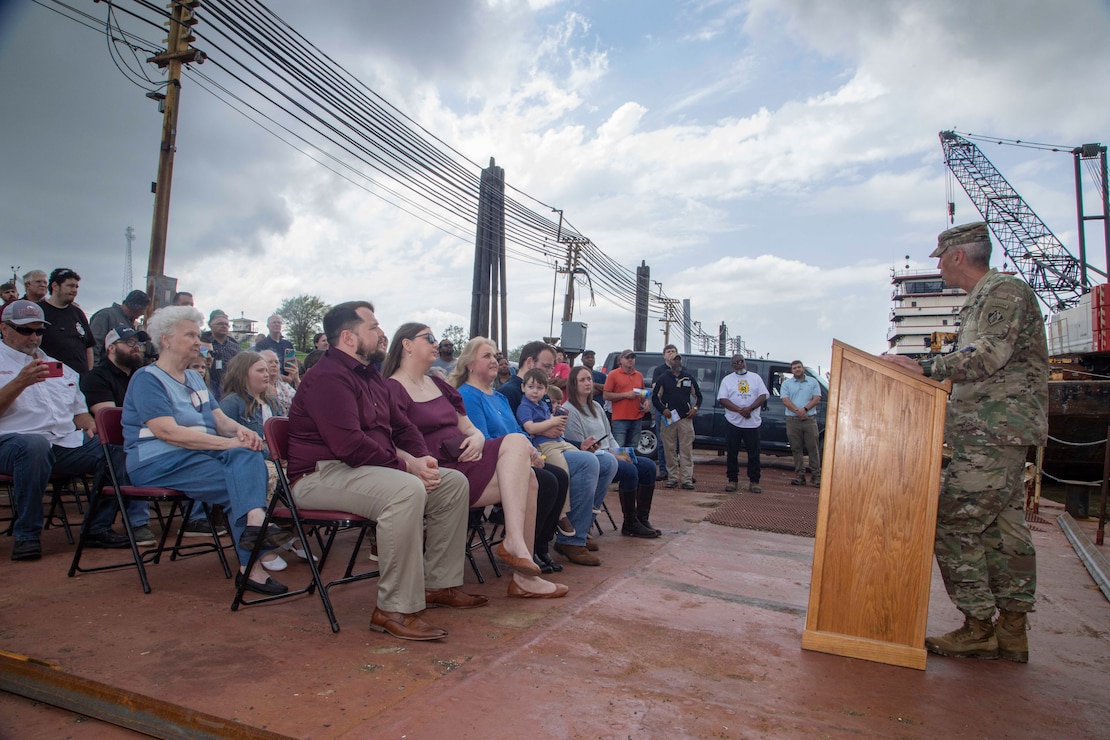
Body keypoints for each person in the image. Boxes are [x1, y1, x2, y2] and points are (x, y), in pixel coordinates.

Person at [882, 221, 1047, 663]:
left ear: (958, 256)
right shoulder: (983, 299)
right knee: (1003, 533)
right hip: (996, 433)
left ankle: (979, 626)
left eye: (940, 257)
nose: (937, 265)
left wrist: (926, 368)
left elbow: (989, 354)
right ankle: (1012, 632)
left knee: (952, 523)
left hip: (993, 433)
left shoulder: (1002, 293)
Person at [288, 301, 484, 642]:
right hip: (319, 476)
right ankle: (394, 609)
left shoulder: (370, 377)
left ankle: (438, 586)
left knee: (452, 483)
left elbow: (402, 425)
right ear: (349, 337)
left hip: (359, 469)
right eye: (374, 328)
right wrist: (407, 468)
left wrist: (422, 460)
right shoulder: (328, 378)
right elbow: (349, 445)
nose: (382, 334)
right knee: (406, 490)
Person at [384, 323, 567, 597]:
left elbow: (469, 427)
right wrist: (412, 462)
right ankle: (516, 546)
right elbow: (385, 440)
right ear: (407, 345)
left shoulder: (438, 385)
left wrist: (478, 438)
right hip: (435, 469)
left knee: (530, 479)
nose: (437, 344)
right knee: (520, 450)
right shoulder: (390, 388)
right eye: (429, 338)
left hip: (465, 457)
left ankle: (523, 577)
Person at [122, 306, 288, 595]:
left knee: (246, 458)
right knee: (241, 480)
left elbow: (220, 421)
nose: (198, 341)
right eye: (190, 335)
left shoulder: (196, 378)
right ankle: (253, 557)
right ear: (166, 340)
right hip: (157, 460)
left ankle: (254, 532)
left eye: (198, 334)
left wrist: (241, 432)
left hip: (197, 457)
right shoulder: (147, 378)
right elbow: (167, 432)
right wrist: (230, 443)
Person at [457, 339, 615, 567]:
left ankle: (541, 545)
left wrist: (529, 450)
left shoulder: (498, 397)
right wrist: (523, 450)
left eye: (495, 355)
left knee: (558, 477)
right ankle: (529, 551)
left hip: (519, 457)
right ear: (470, 364)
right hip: (493, 464)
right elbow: (483, 439)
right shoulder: (468, 396)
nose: (495, 360)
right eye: (487, 356)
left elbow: (520, 431)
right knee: (549, 480)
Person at [0, 301, 129, 561]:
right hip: (10, 442)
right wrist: (19, 383)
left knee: (116, 448)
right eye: (25, 330)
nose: (34, 337)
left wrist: (91, 426)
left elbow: (78, 411)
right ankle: (27, 534)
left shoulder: (59, 367)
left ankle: (97, 527)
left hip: (61, 441)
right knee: (34, 446)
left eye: (39, 331)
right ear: (3, 328)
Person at [219, 351, 305, 573]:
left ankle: (287, 533)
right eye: (260, 370)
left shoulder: (273, 402)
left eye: (267, 370)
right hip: (251, 461)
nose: (267, 374)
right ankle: (265, 542)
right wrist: (276, 456)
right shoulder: (232, 403)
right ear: (242, 373)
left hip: (276, 460)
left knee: (304, 476)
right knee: (270, 475)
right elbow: (230, 442)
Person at [81, 324, 157, 546]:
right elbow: (112, 420)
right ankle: (135, 523)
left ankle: (196, 518)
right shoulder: (96, 377)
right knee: (125, 452)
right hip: (119, 441)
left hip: (148, 435)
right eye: (130, 343)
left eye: (139, 343)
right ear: (111, 348)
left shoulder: (144, 376)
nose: (137, 348)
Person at [564, 366, 660, 538]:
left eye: (589, 379)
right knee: (630, 471)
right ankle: (629, 523)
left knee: (649, 466)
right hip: (594, 461)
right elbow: (580, 449)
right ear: (573, 384)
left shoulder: (596, 406)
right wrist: (614, 457)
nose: (587, 383)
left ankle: (641, 518)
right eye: (582, 380)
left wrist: (622, 454)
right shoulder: (570, 410)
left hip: (610, 454)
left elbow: (609, 437)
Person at [717, 355, 768, 493]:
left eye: (741, 362)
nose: (739, 364)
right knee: (732, 452)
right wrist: (740, 410)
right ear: (732, 365)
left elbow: (763, 396)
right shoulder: (727, 380)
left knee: (754, 453)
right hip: (733, 422)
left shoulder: (755, 378)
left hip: (752, 423)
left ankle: (754, 481)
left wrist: (749, 409)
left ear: (745, 363)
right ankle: (732, 480)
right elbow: (722, 399)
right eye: (736, 363)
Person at [652, 353, 703, 491]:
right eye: (675, 359)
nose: (677, 362)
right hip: (669, 418)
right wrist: (663, 410)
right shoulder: (663, 378)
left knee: (686, 450)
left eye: (679, 359)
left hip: (685, 419)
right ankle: (672, 478)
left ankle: (687, 479)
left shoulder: (688, 377)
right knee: (669, 449)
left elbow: (698, 396)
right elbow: (655, 398)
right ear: (669, 362)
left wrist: (695, 409)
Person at [516, 369, 578, 475]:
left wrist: (558, 425)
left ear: (545, 390)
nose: (535, 391)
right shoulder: (524, 407)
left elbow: (549, 419)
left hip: (559, 441)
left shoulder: (543, 404)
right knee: (563, 472)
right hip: (543, 444)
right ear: (523, 387)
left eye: (539, 388)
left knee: (585, 459)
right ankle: (565, 492)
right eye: (531, 387)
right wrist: (553, 422)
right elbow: (530, 428)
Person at [37, 268, 95, 376]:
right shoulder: (39, 312)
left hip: (80, 380)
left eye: (76, 287)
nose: (74, 290)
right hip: (52, 380)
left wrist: (89, 375)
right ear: (55, 286)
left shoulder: (78, 313)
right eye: (70, 286)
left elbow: (89, 348)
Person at [779, 360, 822, 487]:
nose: (797, 369)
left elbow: (817, 398)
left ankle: (816, 477)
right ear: (791, 371)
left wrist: (805, 410)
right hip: (793, 420)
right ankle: (800, 476)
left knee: (813, 448)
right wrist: (798, 411)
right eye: (794, 368)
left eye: (799, 367)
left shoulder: (813, 382)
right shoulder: (787, 384)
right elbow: (785, 400)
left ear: (803, 368)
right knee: (796, 448)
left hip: (809, 420)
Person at [89, 290, 150, 366]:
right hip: (104, 370)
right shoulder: (105, 315)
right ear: (136, 308)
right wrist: (94, 370)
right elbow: (94, 345)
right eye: (143, 310)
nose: (142, 314)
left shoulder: (129, 322)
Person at [604, 349, 650, 448]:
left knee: (633, 448)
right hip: (620, 419)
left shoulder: (639, 375)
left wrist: (646, 402)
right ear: (621, 360)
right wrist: (625, 395)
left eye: (632, 357)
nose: (630, 360)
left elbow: (642, 394)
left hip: (637, 418)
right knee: (618, 447)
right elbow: (606, 395)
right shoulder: (613, 374)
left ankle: (631, 464)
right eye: (627, 357)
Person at [497, 340, 556, 414]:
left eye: (551, 368)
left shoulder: (544, 396)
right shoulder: (507, 393)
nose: (550, 373)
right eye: (546, 366)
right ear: (529, 362)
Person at [651, 345, 679, 481]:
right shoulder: (659, 370)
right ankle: (663, 470)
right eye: (668, 352)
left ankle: (676, 471)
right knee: (662, 440)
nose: (671, 353)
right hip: (662, 409)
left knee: (676, 441)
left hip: (677, 411)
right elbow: (655, 388)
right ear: (664, 355)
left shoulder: (682, 370)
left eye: (673, 351)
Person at [254, 314, 299, 390]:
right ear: (268, 325)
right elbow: (259, 366)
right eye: (274, 322)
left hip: (288, 385)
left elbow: (293, 362)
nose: (277, 324)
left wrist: (292, 376)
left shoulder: (288, 344)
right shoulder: (262, 345)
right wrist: (285, 378)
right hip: (270, 384)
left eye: (279, 322)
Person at [204, 310, 240, 400]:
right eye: (220, 323)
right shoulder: (204, 344)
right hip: (209, 388)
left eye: (226, 324)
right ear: (210, 325)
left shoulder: (235, 347)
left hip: (231, 389)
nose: (223, 326)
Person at [259, 349, 297, 415]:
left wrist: (297, 379)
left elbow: (301, 401)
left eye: (276, 362)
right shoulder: (257, 387)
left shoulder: (284, 386)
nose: (274, 365)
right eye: (270, 362)